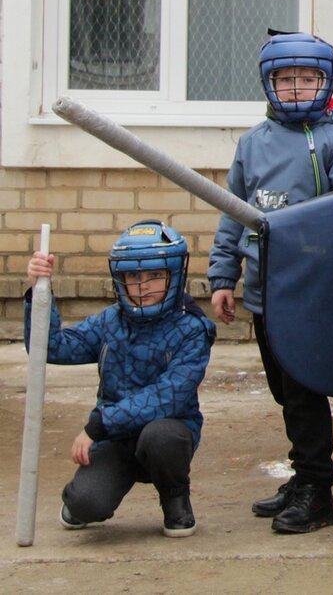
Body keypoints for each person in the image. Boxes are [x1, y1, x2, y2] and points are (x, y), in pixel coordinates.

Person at [207, 31, 333, 534]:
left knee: (304, 393)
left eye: (309, 79)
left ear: (325, 83)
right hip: (264, 293)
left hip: (312, 294)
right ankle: (305, 473)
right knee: (286, 393)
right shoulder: (253, 143)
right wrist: (223, 274)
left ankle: (317, 492)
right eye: (287, 79)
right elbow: (232, 213)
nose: (299, 89)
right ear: (269, 83)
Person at [24, 221, 216, 538]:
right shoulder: (111, 320)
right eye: (133, 277)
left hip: (166, 431)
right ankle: (87, 495)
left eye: (155, 275)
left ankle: (175, 497)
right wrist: (39, 290)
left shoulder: (193, 329)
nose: (143, 286)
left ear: (174, 275)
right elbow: (52, 347)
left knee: (161, 437)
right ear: (120, 278)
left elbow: (167, 396)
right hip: (115, 440)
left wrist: (99, 423)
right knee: (85, 505)